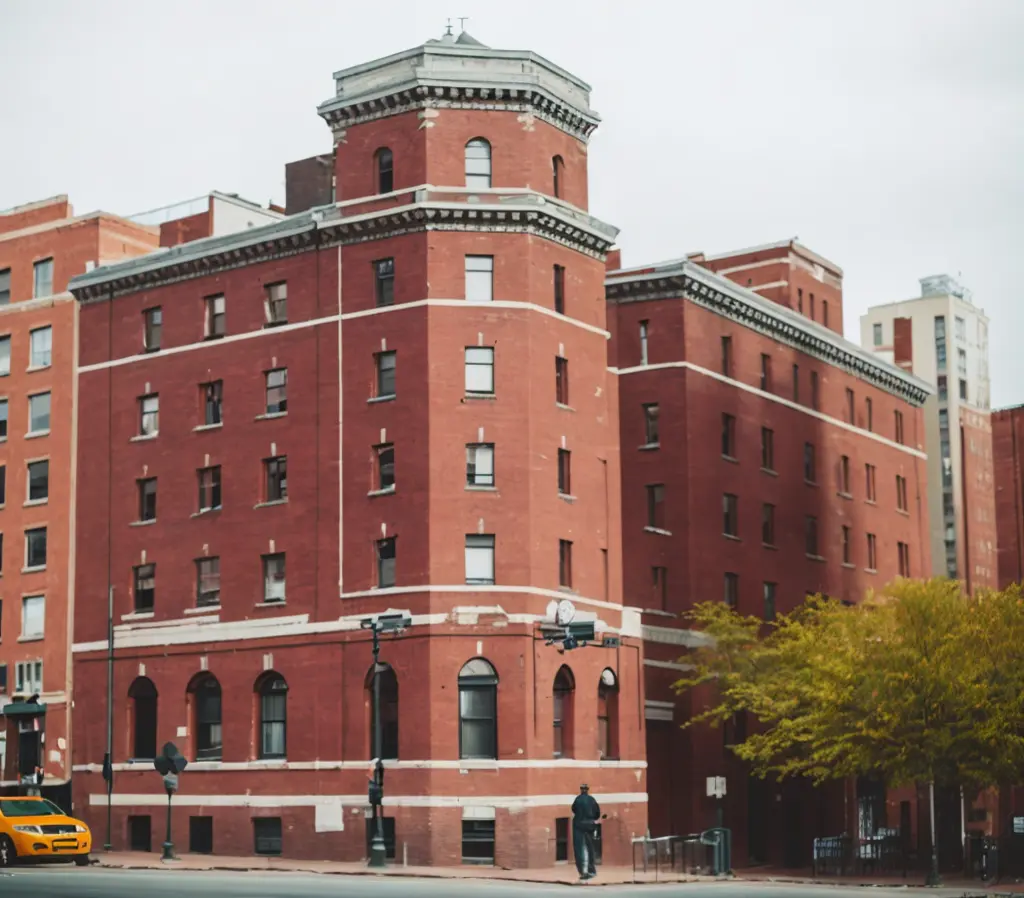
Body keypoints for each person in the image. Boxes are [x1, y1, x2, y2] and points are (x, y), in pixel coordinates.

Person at [571, 783, 600, 881]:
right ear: (587, 790)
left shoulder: (578, 799)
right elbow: (597, 813)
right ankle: (591, 870)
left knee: (579, 848)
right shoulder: (592, 800)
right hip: (589, 825)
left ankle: (583, 871)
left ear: (581, 790)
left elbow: (573, 809)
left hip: (578, 825)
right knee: (590, 848)